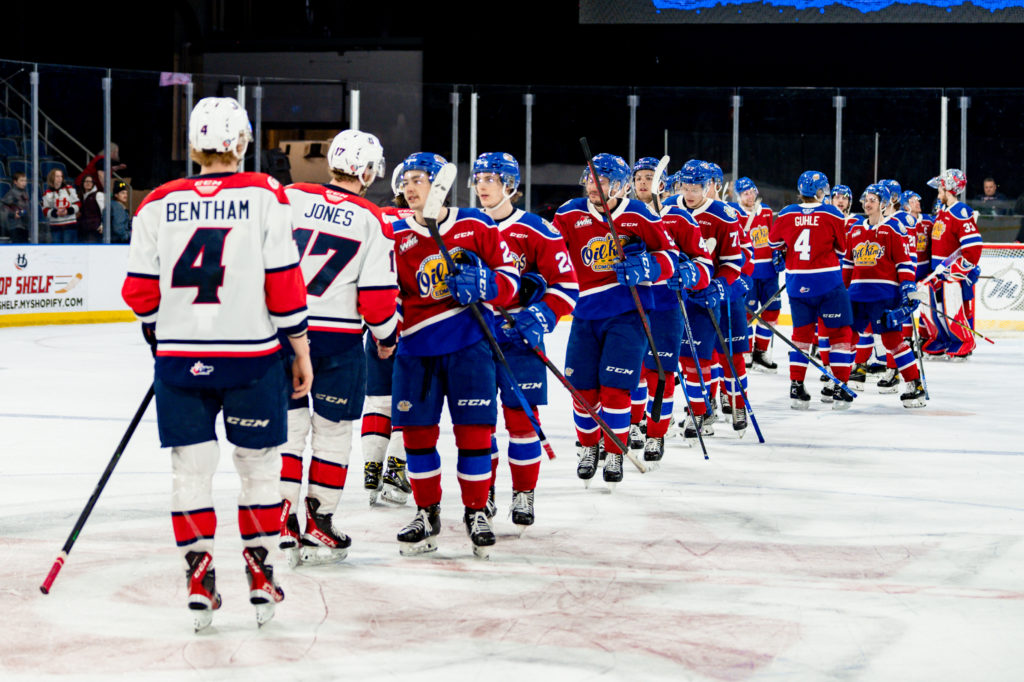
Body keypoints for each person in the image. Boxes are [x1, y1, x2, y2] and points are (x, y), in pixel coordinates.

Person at [121, 97, 313, 631]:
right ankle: (259, 571)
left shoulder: (157, 202)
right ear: (242, 143)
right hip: (252, 359)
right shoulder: (265, 195)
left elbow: (139, 296)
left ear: (194, 145)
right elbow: (284, 284)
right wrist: (300, 348)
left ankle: (199, 574)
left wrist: (165, 329)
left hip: (181, 362)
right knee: (257, 469)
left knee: (190, 472)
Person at [390, 152, 521, 559]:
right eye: (404, 181)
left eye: (418, 180)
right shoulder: (393, 233)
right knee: (417, 438)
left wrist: (484, 281)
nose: (409, 188)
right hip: (416, 350)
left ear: (440, 184)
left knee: (475, 436)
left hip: (469, 347)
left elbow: (512, 284)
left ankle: (476, 512)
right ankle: (426, 512)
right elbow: (386, 292)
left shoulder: (476, 224)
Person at [277, 129, 398, 567]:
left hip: (284, 335)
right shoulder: (374, 219)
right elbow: (379, 298)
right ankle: (319, 521)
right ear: (367, 171)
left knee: (288, 431)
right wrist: (386, 338)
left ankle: (283, 521)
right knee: (331, 432)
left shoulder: (289, 197)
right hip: (339, 340)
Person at [552, 153, 677, 486]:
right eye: (591, 179)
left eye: (603, 180)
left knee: (615, 390)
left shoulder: (639, 215)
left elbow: (670, 257)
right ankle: (590, 447)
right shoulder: (569, 213)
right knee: (582, 391)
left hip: (628, 314)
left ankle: (615, 450)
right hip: (584, 315)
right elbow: (550, 255)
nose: (594, 186)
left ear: (620, 185)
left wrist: (647, 267)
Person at [472, 151, 578, 527]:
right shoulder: (463, 228)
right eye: (479, 178)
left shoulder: (537, 229)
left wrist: (540, 314)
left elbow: (567, 287)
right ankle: (482, 496)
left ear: (510, 186)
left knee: (522, 421)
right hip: (474, 338)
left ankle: (523, 493)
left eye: (491, 179)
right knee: (477, 423)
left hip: (521, 337)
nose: (482, 185)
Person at [769, 170, 855, 410]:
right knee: (839, 334)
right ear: (820, 192)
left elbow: (774, 244)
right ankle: (840, 387)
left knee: (801, 335)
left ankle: (796, 386)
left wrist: (789, 253)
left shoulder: (786, 213)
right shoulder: (832, 213)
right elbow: (841, 250)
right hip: (827, 282)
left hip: (797, 283)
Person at [361, 168, 416, 508]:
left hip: (379, 324)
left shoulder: (377, 219)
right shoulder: (432, 223)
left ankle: (371, 470)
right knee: (409, 404)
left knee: (378, 400)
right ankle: (396, 470)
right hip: (418, 329)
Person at [844, 184, 925, 407]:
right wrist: (842, 290)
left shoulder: (893, 229)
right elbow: (848, 266)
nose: (867, 203)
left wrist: (908, 287)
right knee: (847, 336)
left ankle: (914, 385)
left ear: (883, 204)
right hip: (857, 295)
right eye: (866, 199)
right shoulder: (855, 230)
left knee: (892, 340)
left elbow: (904, 262)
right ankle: (841, 383)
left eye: (872, 199)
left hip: (883, 295)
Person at [918, 168, 983, 360]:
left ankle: (963, 341)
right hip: (937, 272)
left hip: (952, 274)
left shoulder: (961, 212)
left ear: (949, 189)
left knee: (953, 305)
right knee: (932, 304)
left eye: (941, 187)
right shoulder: (942, 211)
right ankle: (941, 338)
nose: (938, 191)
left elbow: (973, 248)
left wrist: (957, 270)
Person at [733, 177, 779, 374]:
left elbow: (773, 236)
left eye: (752, 192)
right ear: (738, 195)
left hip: (769, 271)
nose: (750, 196)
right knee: (747, 314)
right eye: (745, 193)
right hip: (749, 272)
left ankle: (761, 351)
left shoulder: (766, 211)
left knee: (772, 311)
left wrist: (778, 253)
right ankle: (747, 352)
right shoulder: (735, 214)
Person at [41, 168, 79, 244]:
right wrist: (55, 212)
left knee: (69, 249)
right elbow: (45, 210)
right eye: (57, 176)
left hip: (70, 225)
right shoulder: (47, 193)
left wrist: (68, 211)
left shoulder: (69, 189)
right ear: (52, 178)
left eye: (61, 176)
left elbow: (77, 204)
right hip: (55, 226)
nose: (60, 178)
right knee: (57, 250)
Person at [1, 172, 30, 243]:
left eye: (25, 181)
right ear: (15, 182)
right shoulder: (12, 194)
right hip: (15, 226)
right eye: (22, 180)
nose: (24, 183)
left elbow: (25, 209)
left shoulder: (24, 193)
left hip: (24, 226)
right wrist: (13, 214)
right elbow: (2, 208)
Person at [76, 174, 104, 243]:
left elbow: (104, 211)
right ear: (83, 183)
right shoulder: (80, 196)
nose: (88, 183)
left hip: (94, 230)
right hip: (82, 230)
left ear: (93, 184)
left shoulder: (98, 195)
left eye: (90, 181)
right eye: (86, 181)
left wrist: (103, 225)